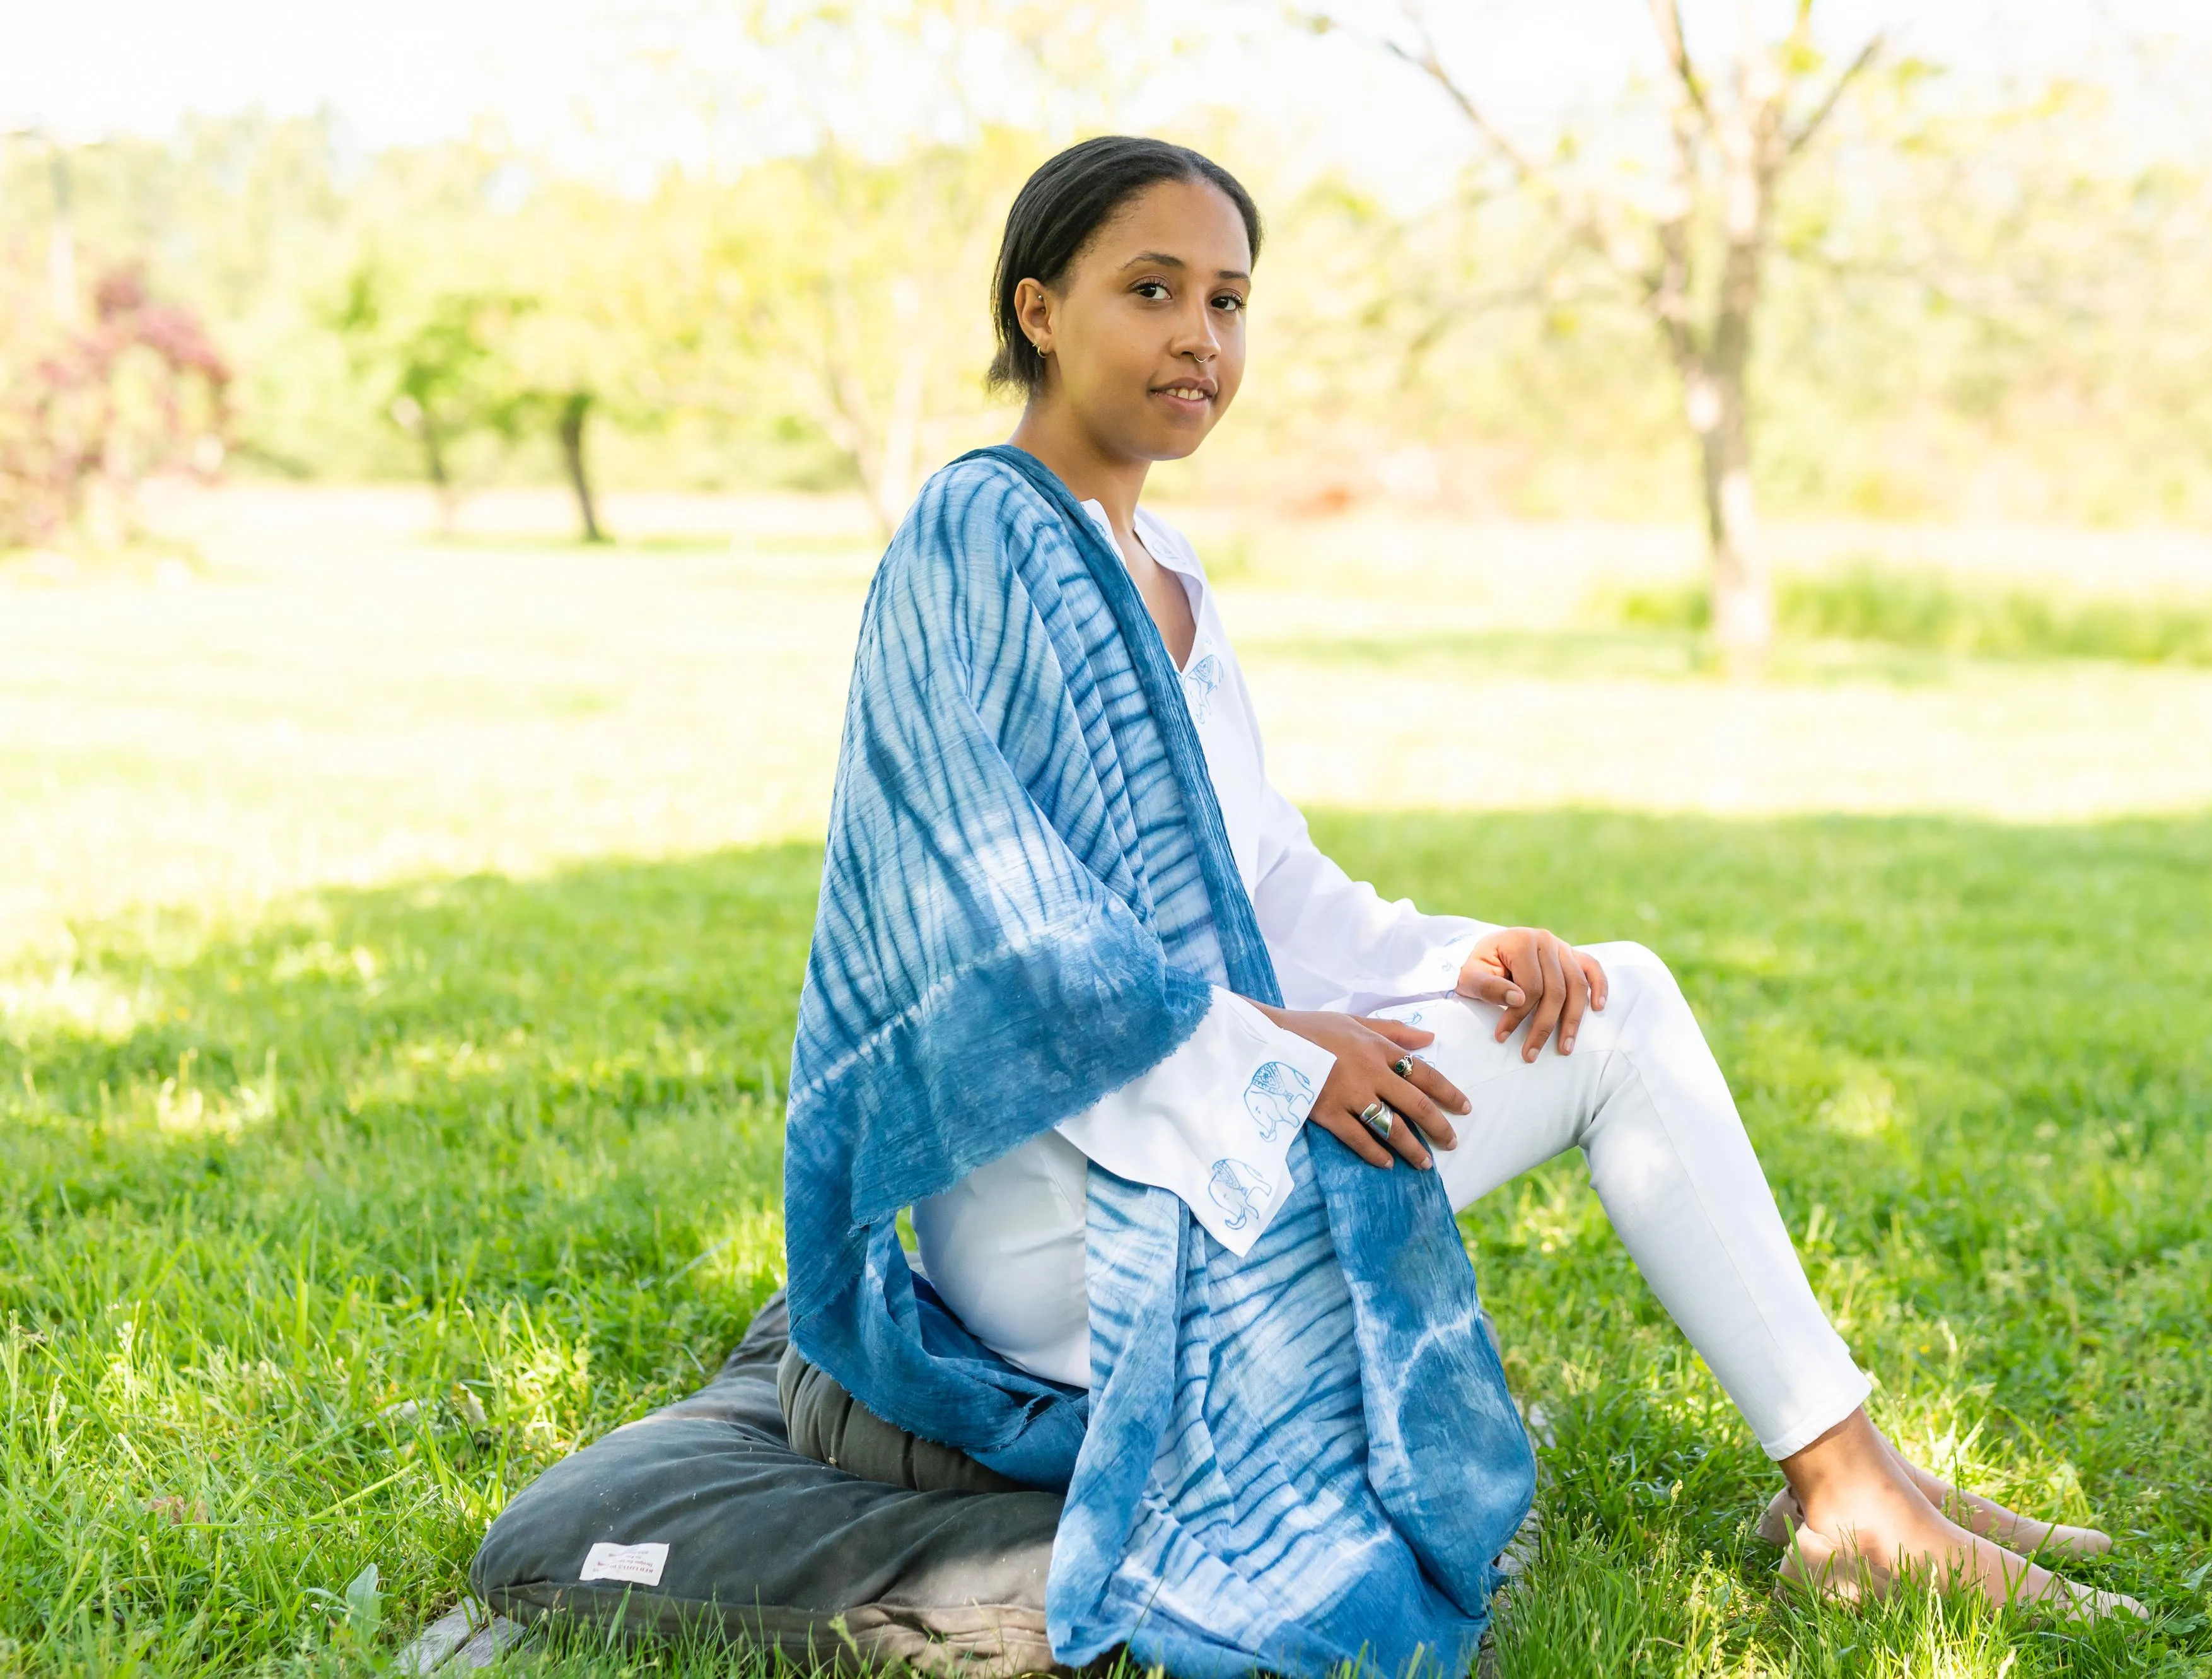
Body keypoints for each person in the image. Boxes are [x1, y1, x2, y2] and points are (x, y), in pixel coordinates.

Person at [779, 136, 2142, 1679]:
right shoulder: (977, 537)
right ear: (1037, 308)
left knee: (1589, 986)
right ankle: (1846, 1496)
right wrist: (1275, 1053)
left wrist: (1455, 956)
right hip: (1065, 1215)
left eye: (1228, 301)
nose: (1197, 340)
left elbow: (1266, 878)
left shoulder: (1163, 563)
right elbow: (996, 934)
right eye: (1148, 290)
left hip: (1208, 1108)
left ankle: (1854, 1474)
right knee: (1619, 1019)